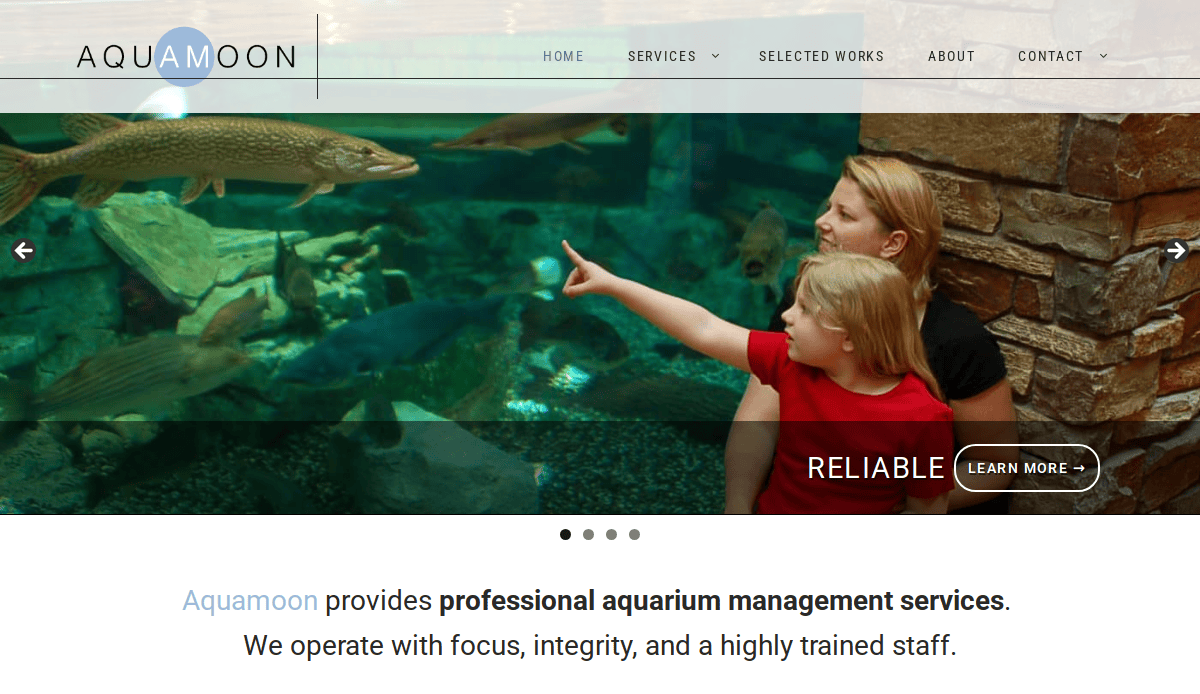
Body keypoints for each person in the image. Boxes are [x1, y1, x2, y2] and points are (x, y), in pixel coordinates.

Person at [562, 240, 955, 514]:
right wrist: (614, 285)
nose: (786, 316)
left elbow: (926, 511)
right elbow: (704, 328)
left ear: (850, 338)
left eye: (804, 309)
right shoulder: (792, 363)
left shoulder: (923, 417)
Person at [725, 155, 1019, 515]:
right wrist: (737, 511)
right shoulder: (802, 301)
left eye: (843, 215)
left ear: (893, 243)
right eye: (828, 207)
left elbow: (995, 462)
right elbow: (758, 419)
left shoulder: (958, 340)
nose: (820, 222)